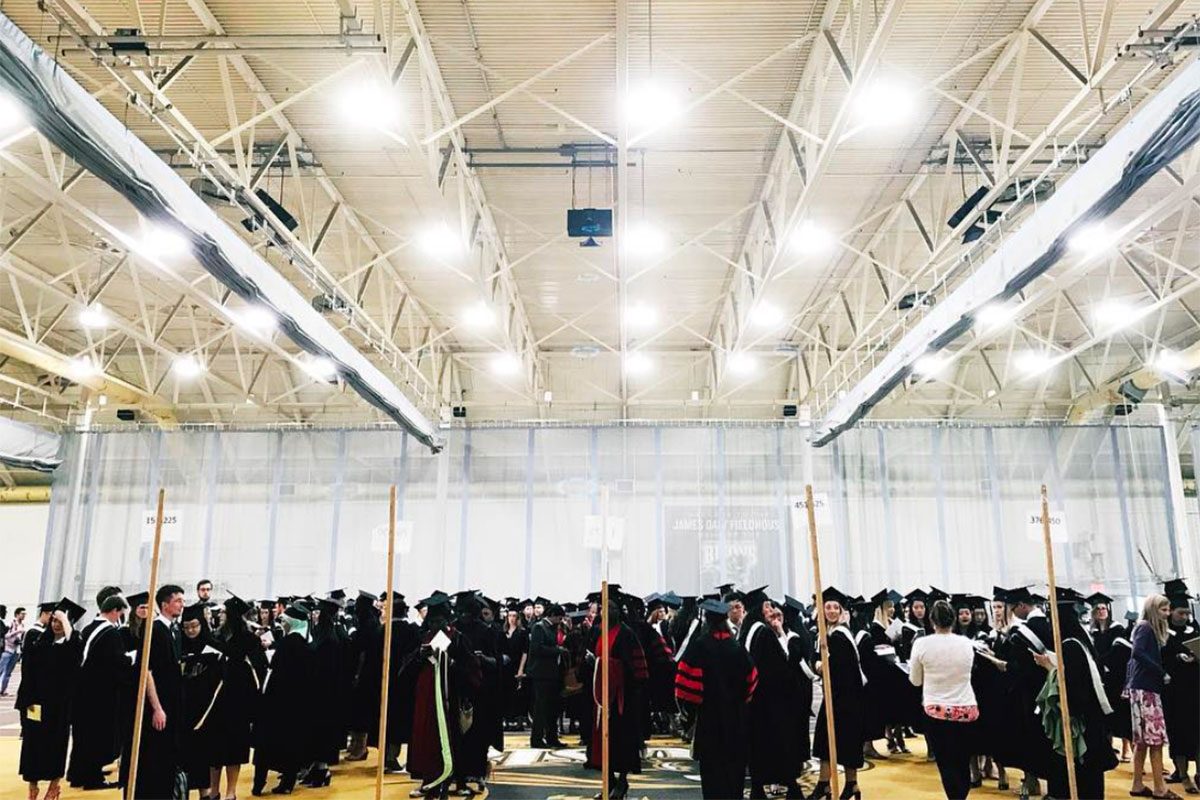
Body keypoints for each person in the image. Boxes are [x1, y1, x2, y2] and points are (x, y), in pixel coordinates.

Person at [1031, 587, 1117, 800]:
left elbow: (1076, 694)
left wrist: (1051, 670)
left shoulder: (1070, 647)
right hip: (1091, 726)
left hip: (1082, 730)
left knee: (1080, 787)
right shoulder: (1080, 641)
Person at [675, 597, 756, 799]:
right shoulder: (736, 647)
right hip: (735, 719)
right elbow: (752, 679)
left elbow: (684, 687)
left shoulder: (700, 646)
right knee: (733, 770)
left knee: (713, 773)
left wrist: (689, 713)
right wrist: (741, 701)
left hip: (709, 719)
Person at [403, 594, 481, 799]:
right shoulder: (423, 639)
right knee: (426, 742)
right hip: (425, 702)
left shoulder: (457, 638)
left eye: (440, 620)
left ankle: (458, 780)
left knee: (453, 742)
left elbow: (472, 671)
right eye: (433, 620)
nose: (436, 624)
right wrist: (420, 656)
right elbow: (405, 670)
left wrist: (452, 664)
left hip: (449, 702)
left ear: (448, 619)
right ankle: (428, 781)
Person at [739, 588, 805, 798]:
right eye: (767, 606)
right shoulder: (764, 633)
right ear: (759, 608)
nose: (770, 610)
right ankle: (791, 788)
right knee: (779, 743)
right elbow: (779, 668)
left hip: (756, 699)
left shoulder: (748, 630)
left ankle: (758, 788)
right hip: (772, 701)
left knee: (758, 744)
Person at [909, 599, 977, 800]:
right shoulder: (965, 643)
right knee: (963, 759)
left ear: (932, 621)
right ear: (954, 620)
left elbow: (915, 681)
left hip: (936, 710)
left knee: (946, 762)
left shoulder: (922, 644)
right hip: (966, 707)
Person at [17, 599, 84, 800]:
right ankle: (32, 785)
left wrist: (66, 622)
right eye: (53, 620)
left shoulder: (72, 643)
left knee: (56, 744)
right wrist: (26, 700)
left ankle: (54, 784)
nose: (55, 624)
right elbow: (28, 672)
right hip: (36, 704)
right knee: (32, 744)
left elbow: (76, 651)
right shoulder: (40, 642)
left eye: (60, 621)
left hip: (60, 706)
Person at [585, 596, 648, 800]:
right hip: (602, 699)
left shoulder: (626, 634)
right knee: (604, 743)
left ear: (618, 611)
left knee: (622, 741)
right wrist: (593, 662)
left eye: (610, 608)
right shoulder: (599, 632)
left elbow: (635, 668)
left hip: (623, 699)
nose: (605, 612)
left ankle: (622, 782)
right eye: (603, 608)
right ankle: (609, 782)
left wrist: (608, 664)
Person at [252, 601, 316, 796]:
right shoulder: (306, 642)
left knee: (265, 745)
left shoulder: (289, 644)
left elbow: (277, 671)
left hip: (277, 701)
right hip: (296, 703)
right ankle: (288, 782)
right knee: (292, 743)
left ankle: (258, 783)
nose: (283, 625)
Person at [66, 589, 128, 790]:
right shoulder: (110, 633)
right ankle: (92, 777)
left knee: (83, 736)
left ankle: (77, 774)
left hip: (83, 691)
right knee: (97, 735)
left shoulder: (89, 628)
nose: (120, 617)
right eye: (120, 612)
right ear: (114, 611)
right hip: (100, 694)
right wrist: (131, 659)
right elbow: (115, 663)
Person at [207, 595, 266, 800]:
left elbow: (259, 667)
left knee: (234, 747)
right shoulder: (217, 635)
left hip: (238, 699)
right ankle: (214, 790)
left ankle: (231, 792)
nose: (220, 615)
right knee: (214, 749)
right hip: (216, 699)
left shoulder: (249, 638)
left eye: (224, 612)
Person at [131, 584, 186, 800]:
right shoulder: (153, 629)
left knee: (169, 756)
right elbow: (148, 671)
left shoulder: (174, 629)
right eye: (178, 600)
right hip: (158, 704)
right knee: (155, 756)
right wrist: (157, 708)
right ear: (164, 604)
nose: (182, 604)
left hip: (173, 701)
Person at [810, 588, 866, 800]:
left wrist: (820, 666)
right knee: (826, 740)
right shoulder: (825, 634)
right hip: (835, 695)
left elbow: (837, 668)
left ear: (841, 611)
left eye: (836, 607)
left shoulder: (840, 636)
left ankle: (851, 785)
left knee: (845, 741)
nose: (831, 611)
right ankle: (826, 784)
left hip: (845, 698)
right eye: (828, 607)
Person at [1125, 594, 1175, 800]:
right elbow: (1137, 653)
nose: (1167, 613)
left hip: (1140, 689)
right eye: (1163, 610)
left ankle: (1138, 784)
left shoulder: (1143, 628)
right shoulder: (1146, 628)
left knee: (1143, 741)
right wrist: (1160, 672)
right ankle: (1159, 788)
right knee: (1154, 741)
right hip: (1146, 690)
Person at [454, 591, 504, 794]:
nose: (464, 616)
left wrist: (482, 659)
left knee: (478, 734)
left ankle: (477, 772)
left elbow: (497, 661)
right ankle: (461, 773)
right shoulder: (454, 630)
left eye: (467, 612)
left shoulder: (487, 631)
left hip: (481, 690)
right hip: (460, 688)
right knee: (460, 734)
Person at [179, 602, 223, 799]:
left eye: (195, 626)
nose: (191, 630)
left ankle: (205, 793)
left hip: (206, 711)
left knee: (202, 755)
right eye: (186, 627)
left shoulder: (212, 646)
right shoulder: (177, 645)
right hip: (182, 709)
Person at [1161, 580, 1198, 793]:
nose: (1184, 617)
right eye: (1180, 613)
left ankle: (1199, 774)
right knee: (1179, 733)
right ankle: (1183, 775)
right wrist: (1176, 658)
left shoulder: (1194, 628)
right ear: (1171, 611)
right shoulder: (1163, 631)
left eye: (1186, 613)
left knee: (1197, 731)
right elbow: (1159, 658)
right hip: (1174, 692)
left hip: (1195, 688)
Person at [527, 603, 567, 749]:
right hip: (541, 673)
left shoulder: (552, 628)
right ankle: (536, 739)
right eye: (559, 617)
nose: (560, 620)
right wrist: (557, 650)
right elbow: (537, 648)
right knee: (541, 708)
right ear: (553, 616)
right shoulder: (539, 627)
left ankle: (552, 737)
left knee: (552, 708)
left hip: (551, 673)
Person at [500, 606, 530, 731]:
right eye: (510, 616)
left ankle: (519, 722)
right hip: (505, 666)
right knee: (505, 694)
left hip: (517, 665)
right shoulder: (503, 632)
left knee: (518, 695)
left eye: (514, 616)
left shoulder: (522, 632)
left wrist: (521, 669)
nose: (512, 618)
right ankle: (506, 721)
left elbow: (525, 652)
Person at [1, 605, 26, 695]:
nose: (23, 616)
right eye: (22, 614)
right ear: (17, 614)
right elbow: (6, 636)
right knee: (1, 669)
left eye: (24, 614)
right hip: (8, 649)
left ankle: (3, 690)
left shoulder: (22, 625)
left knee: (8, 672)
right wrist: (17, 632)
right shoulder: (11, 623)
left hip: (16, 650)